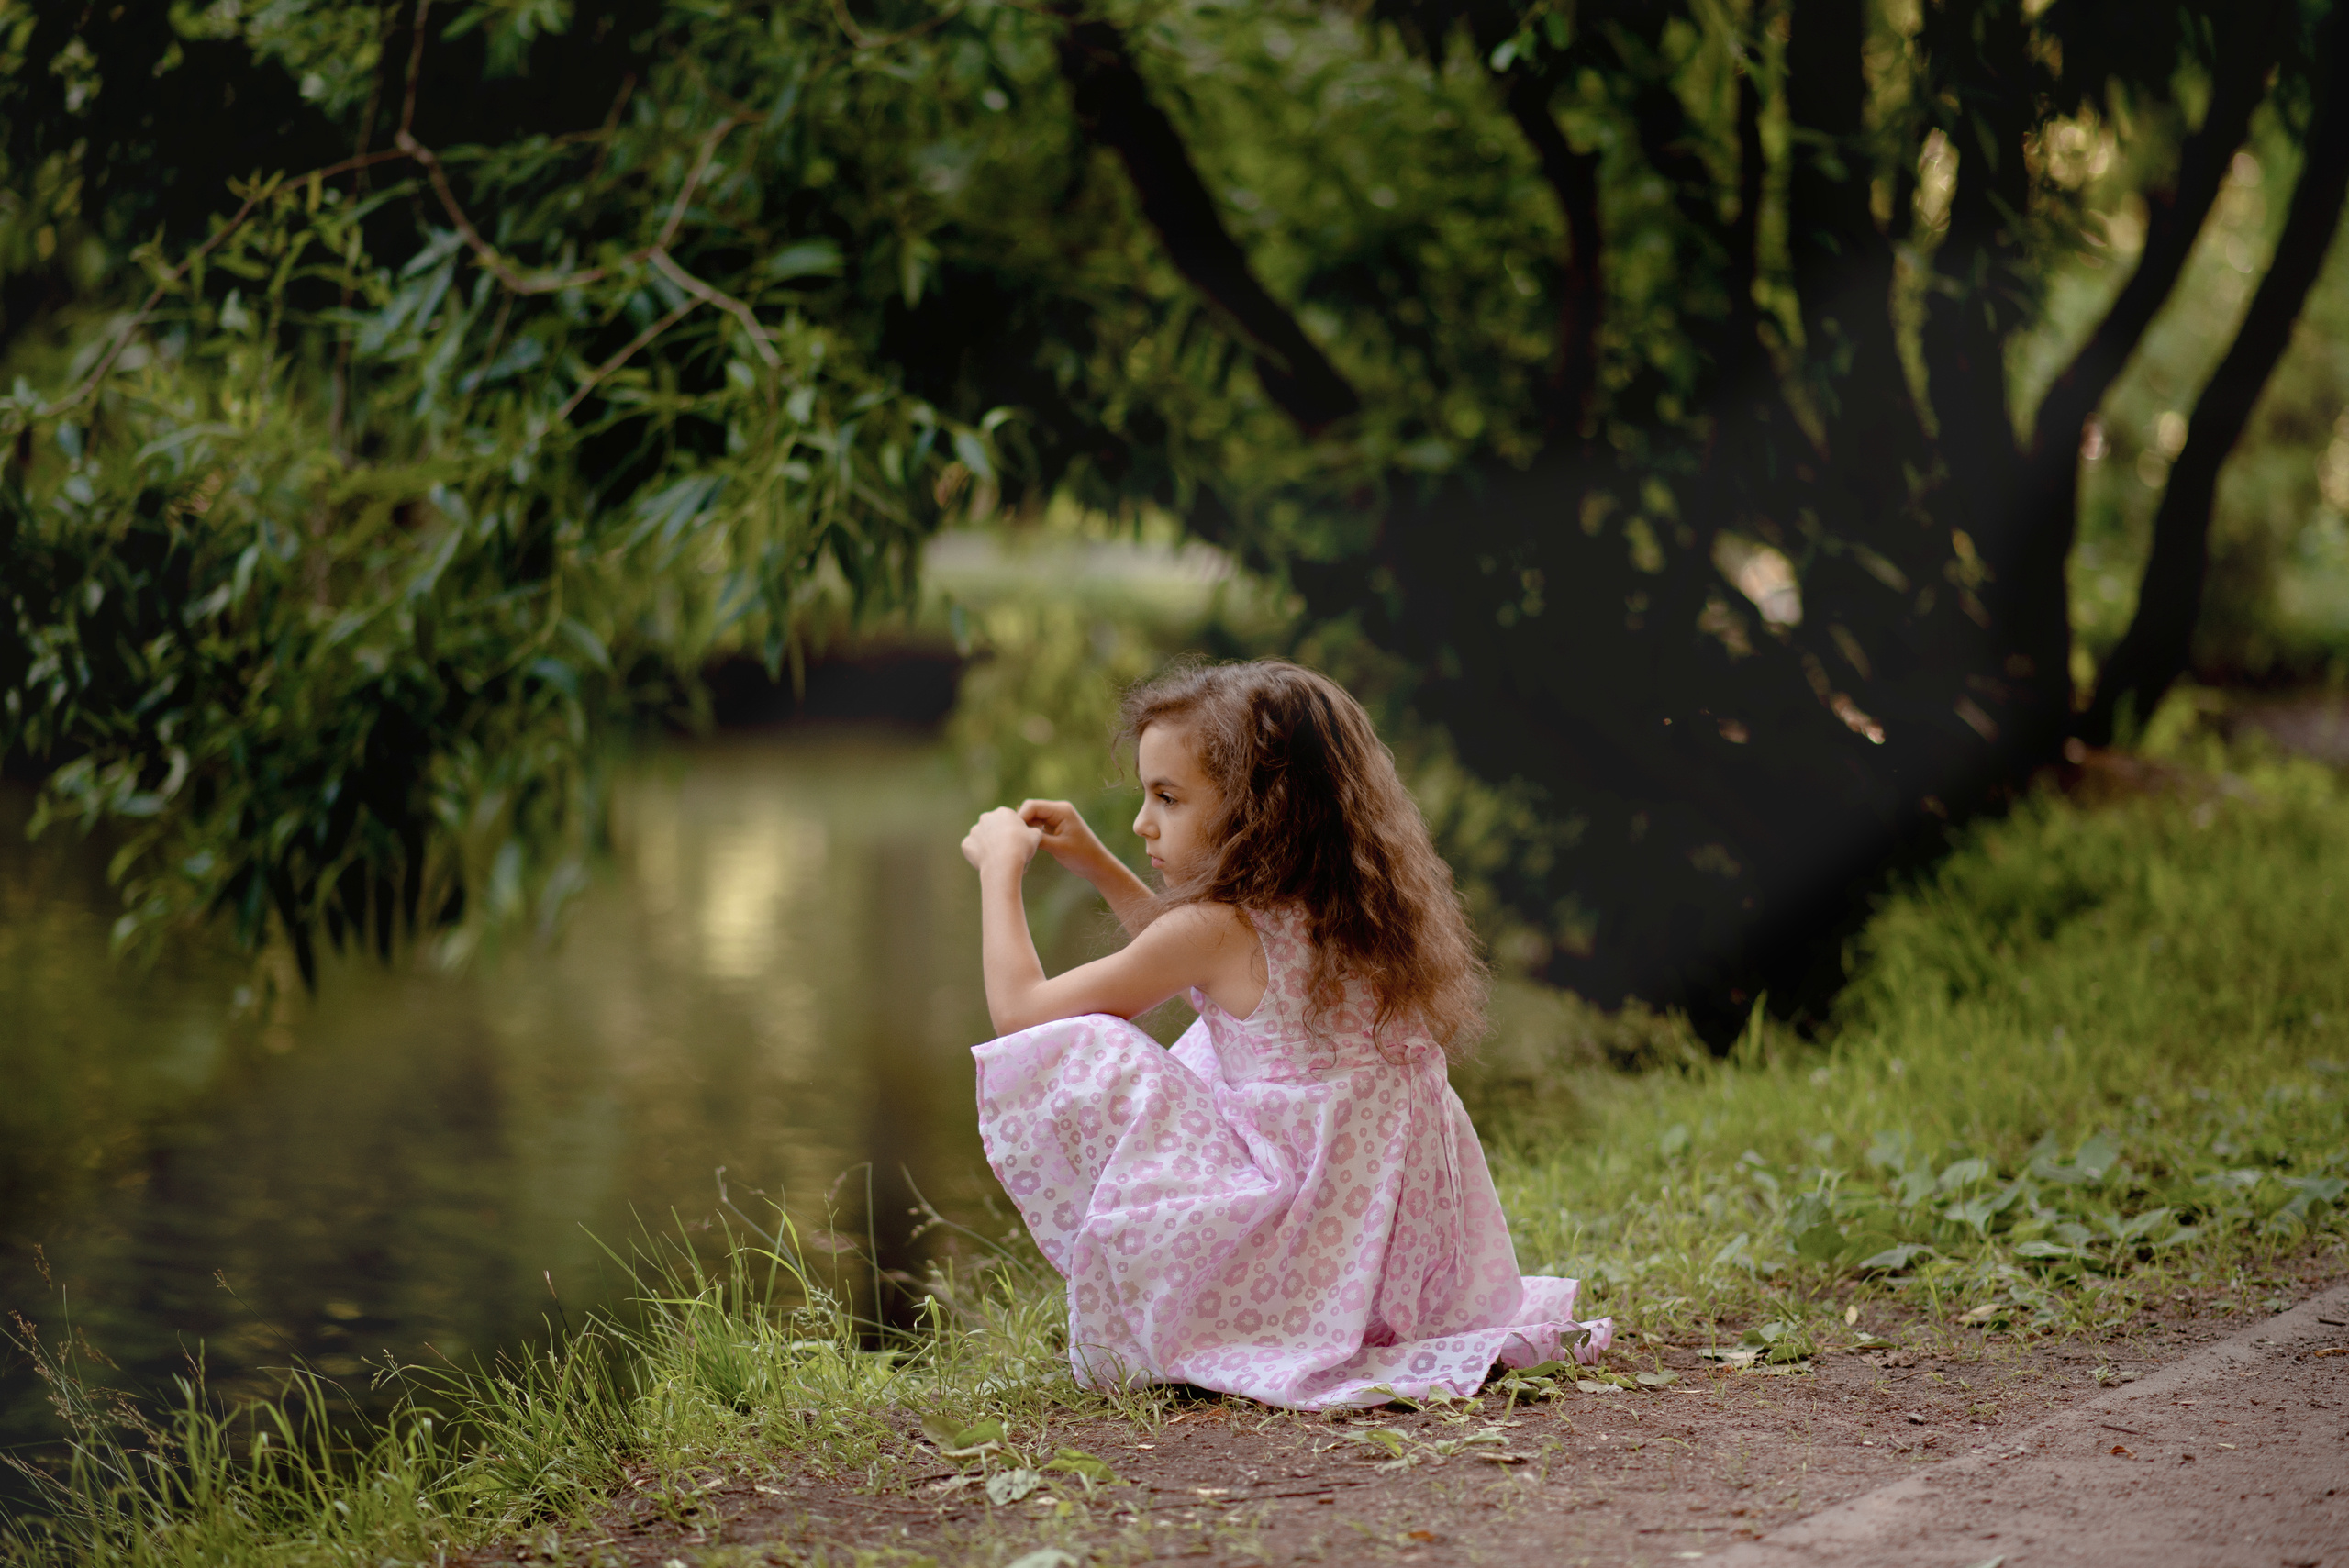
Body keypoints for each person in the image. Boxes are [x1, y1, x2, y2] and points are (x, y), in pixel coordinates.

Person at [960, 658, 1611, 1409]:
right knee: (1211, 1038)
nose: (1143, 822)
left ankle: (1215, 1313)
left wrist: (1000, 870)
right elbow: (1187, 958)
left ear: (1255, 809)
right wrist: (1098, 862)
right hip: (1373, 1249)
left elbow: (1023, 1010)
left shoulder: (1219, 929)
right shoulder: (1345, 901)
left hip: (1296, 1240)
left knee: (1087, 1049)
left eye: (1167, 798)